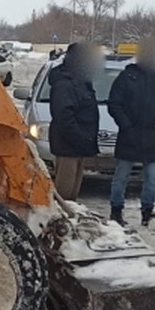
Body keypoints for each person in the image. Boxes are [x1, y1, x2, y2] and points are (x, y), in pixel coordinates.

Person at [107, 36, 155, 227]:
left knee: (151, 178)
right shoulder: (128, 76)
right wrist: (126, 125)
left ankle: (147, 212)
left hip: (152, 136)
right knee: (122, 175)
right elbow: (114, 103)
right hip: (130, 135)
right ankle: (116, 211)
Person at [48, 43, 101, 200]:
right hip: (68, 145)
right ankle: (60, 220)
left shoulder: (81, 80)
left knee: (73, 191)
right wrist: (80, 138)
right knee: (64, 191)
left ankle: (69, 218)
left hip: (79, 144)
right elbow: (63, 117)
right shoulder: (64, 83)